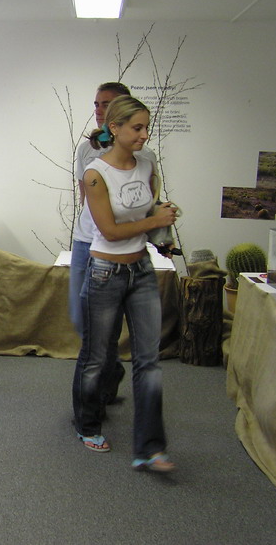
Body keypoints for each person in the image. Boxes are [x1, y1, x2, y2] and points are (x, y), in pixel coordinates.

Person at [72, 95, 177, 472]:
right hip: (105, 272)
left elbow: (145, 210)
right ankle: (87, 425)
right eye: (137, 127)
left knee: (149, 361)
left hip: (142, 271)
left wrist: (161, 217)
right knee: (97, 356)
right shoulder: (95, 173)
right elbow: (111, 231)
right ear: (114, 128)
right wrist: (153, 221)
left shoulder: (146, 163)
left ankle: (150, 448)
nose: (144, 134)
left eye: (147, 127)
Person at [70, 82, 160, 407]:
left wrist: (155, 231)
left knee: (109, 329)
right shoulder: (87, 151)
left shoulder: (144, 157)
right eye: (96, 104)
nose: (99, 110)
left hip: (124, 251)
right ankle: (107, 373)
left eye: (106, 104)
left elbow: (148, 202)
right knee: (84, 321)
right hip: (87, 242)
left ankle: (101, 391)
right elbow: (86, 197)